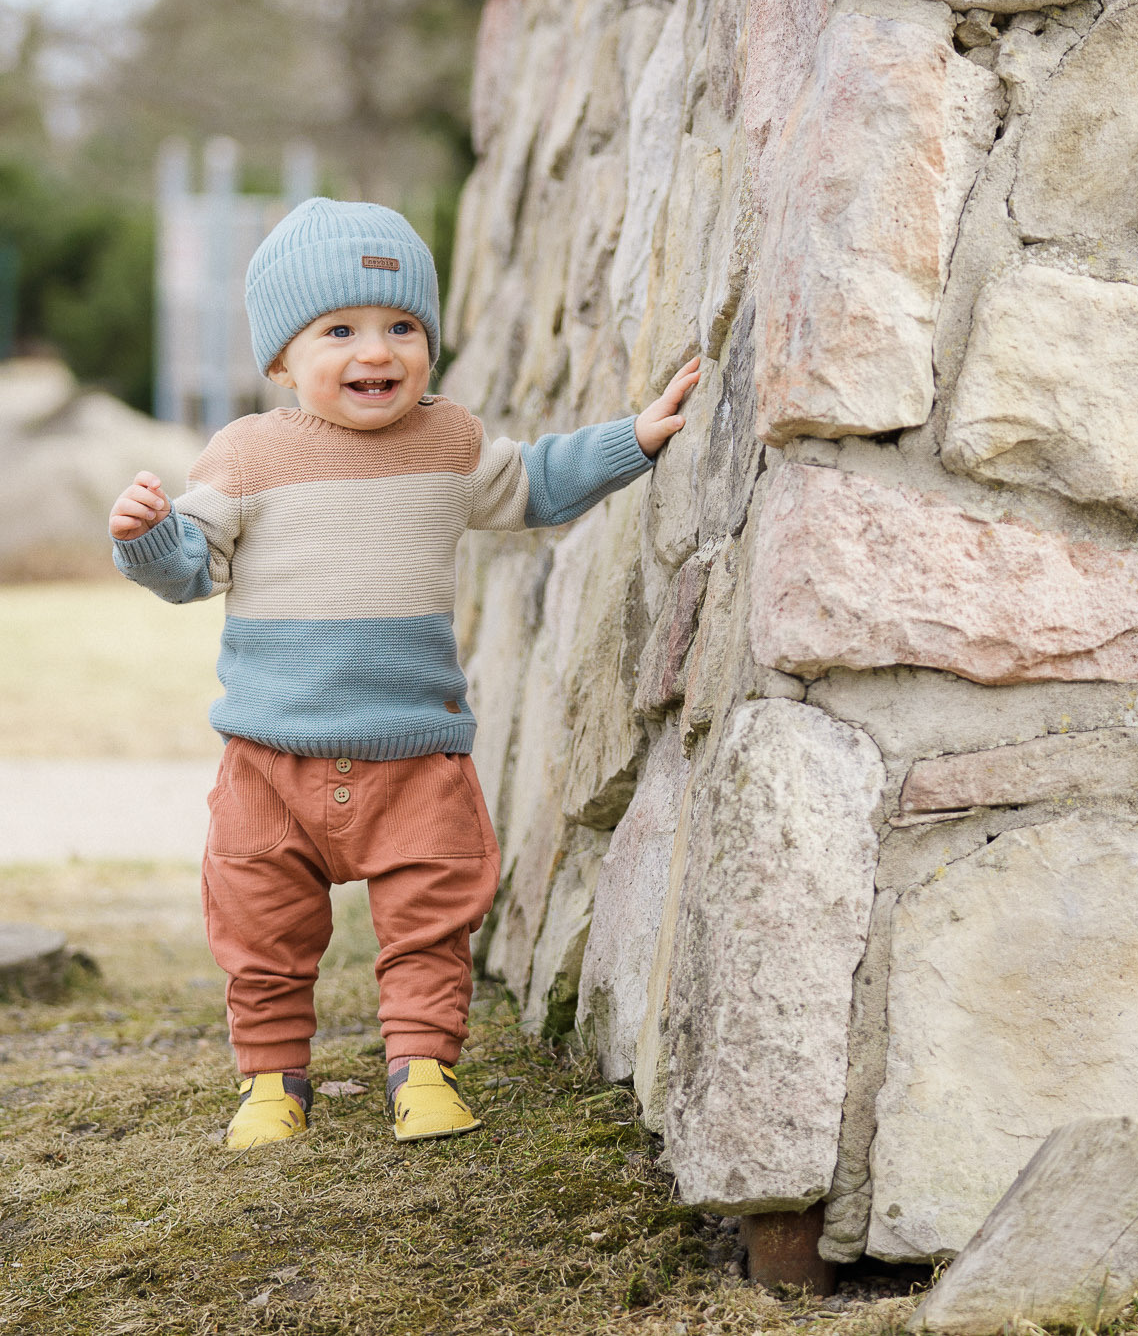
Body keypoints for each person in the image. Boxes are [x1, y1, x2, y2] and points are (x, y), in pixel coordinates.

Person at [108, 199, 699, 1149]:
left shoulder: (450, 443)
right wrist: (147, 538)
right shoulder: (248, 456)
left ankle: (421, 1070)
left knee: (432, 920)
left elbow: (538, 481)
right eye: (339, 330)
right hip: (272, 759)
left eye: (401, 327)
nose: (375, 351)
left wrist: (634, 438)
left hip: (415, 753)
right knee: (259, 927)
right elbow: (190, 569)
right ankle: (271, 1082)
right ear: (281, 359)